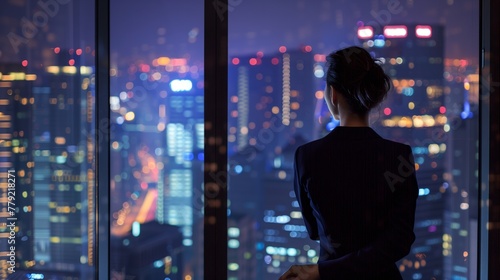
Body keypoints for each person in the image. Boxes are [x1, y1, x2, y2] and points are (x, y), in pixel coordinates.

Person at [279, 46, 419, 280]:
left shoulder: (306, 156)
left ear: (332, 94)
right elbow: (400, 241)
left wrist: (326, 270)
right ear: (373, 97)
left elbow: (314, 231)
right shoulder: (399, 156)